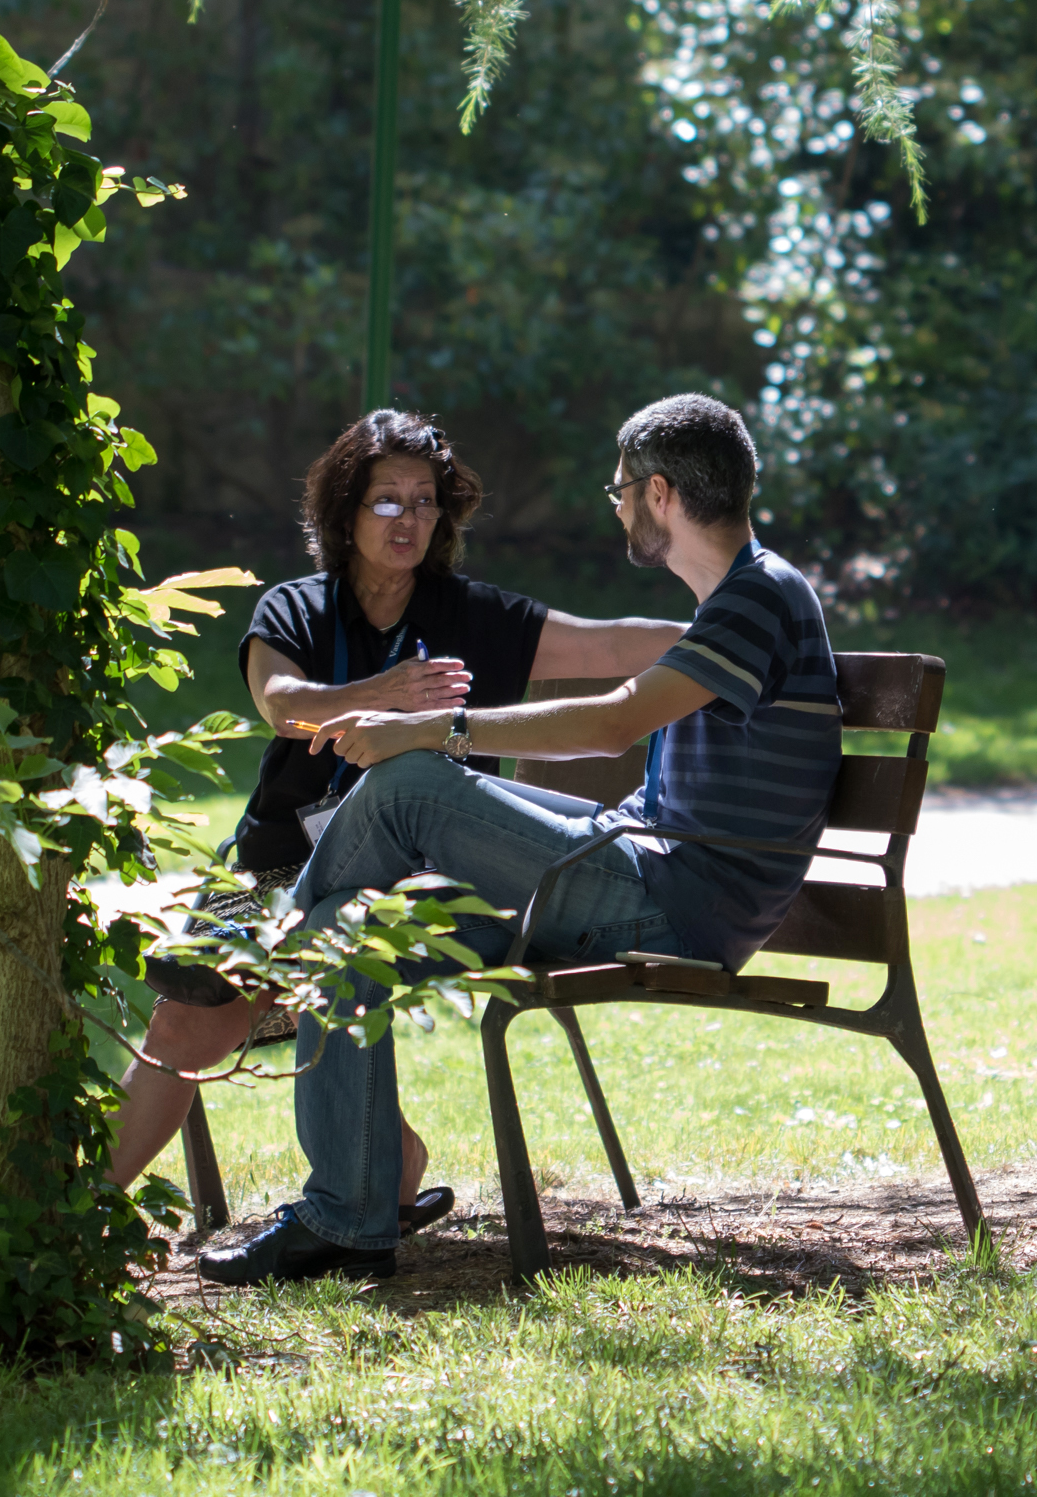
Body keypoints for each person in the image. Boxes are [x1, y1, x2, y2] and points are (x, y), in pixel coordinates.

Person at [197, 392, 841, 1285]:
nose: (614, 506)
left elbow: (618, 724)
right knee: (348, 934)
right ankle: (348, 1215)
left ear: (658, 494)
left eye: (618, 490)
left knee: (411, 783)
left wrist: (434, 729)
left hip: (676, 906)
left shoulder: (757, 597)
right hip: (642, 869)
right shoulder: (741, 601)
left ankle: (263, 961)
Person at [104, 409, 685, 1221]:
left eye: (424, 501)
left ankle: (373, 1168)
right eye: (386, 501)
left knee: (232, 990)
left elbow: (609, 645)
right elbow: (283, 706)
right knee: (186, 1022)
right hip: (275, 864)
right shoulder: (296, 607)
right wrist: (384, 695)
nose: (407, 519)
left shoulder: (470, 616)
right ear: (344, 511)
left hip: (412, 881)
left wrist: (748, 631)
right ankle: (76, 1224)